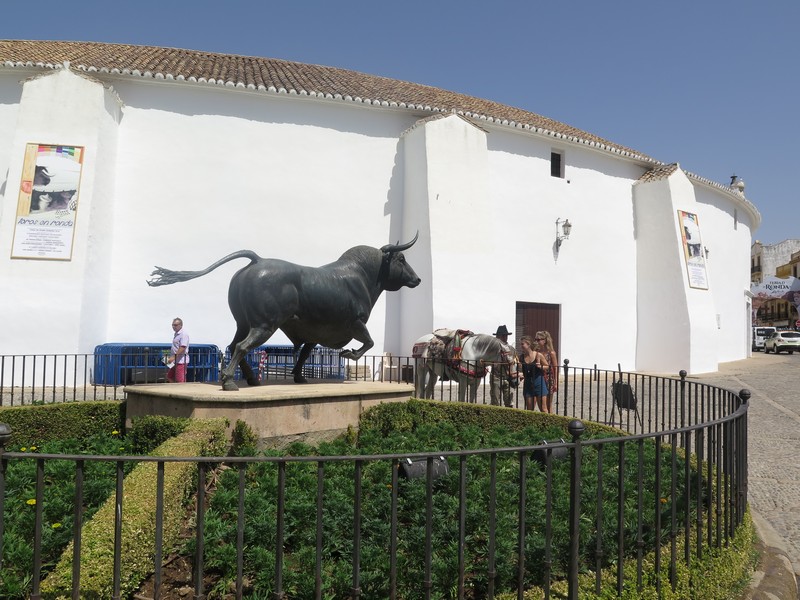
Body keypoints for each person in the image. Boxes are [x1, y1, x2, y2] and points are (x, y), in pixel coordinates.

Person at [518, 334, 548, 411]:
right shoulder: (521, 357)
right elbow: (521, 369)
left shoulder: (538, 355)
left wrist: (540, 367)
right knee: (529, 410)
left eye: (522, 344)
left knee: (543, 409)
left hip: (539, 382)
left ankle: (546, 423)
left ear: (528, 344)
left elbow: (547, 366)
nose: (521, 346)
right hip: (528, 383)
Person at [490, 325, 515, 407]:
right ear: (497, 337)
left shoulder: (511, 349)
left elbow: (515, 363)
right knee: (495, 401)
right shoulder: (493, 348)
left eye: (506, 335)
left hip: (508, 378)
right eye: (502, 335)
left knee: (509, 402)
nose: (505, 337)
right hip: (496, 376)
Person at [535, 331, 558, 413]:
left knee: (548, 405)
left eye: (538, 340)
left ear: (544, 340)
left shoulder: (551, 353)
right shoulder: (536, 352)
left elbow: (555, 368)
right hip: (539, 377)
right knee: (541, 404)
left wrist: (556, 382)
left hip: (548, 379)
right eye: (536, 339)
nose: (536, 341)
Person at [166, 317, 190, 383]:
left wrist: (173, 357)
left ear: (180, 325)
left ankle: (182, 391)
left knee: (180, 380)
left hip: (181, 361)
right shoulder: (176, 333)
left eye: (175, 325)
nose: (173, 327)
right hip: (175, 361)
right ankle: (174, 388)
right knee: (169, 376)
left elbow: (182, 347)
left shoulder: (183, 334)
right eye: (172, 325)